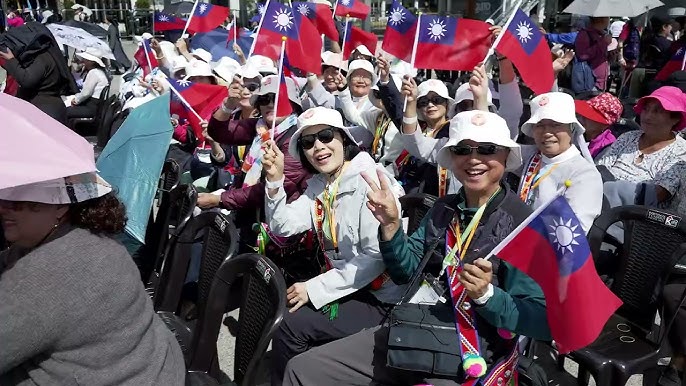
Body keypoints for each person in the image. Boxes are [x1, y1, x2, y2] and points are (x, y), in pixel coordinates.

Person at [281, 110, 550, 386]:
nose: (473, 159)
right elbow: (404, 271)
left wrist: (487, 296)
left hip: (474, 353)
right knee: (302, 369)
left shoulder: (522, 225)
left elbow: (541, 319)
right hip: (416, 326)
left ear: (506, 155)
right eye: (462, 149)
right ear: (452, 158)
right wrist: (391, 226)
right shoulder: (445, 208)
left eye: (487, 149)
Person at [261, 106, 402, 385]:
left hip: (383, 298)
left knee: (291, 327)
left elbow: (375, 259)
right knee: (286, 316)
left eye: (326, 136)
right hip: (351, 288)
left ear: (344, 139)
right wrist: (275, 180)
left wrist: (313, 288)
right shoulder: (321, 185)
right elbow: (283, 226)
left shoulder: (369, 181)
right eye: (308, 142)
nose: (318, 147)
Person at [0, 173, 184, 385]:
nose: (3, 206)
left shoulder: (47, 273)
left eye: (18, 197)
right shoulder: (84, 234)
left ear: (61, 204)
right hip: (154, 368)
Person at [597, 86, 686, 206]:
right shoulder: (628, 137)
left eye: (657, 111)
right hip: (598, 200)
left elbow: (656, 195)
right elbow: (600, 169)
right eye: (646, 109)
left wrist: (613, 190)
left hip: (633, 217)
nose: (648, 116)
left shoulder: (681, 151)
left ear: (675, 118)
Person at [0, 27, 78, 124]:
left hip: (46, 109)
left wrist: (11, 61)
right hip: (44, 106)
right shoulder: (40, 55)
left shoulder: (42, 58)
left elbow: (26, 80)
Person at [574, 92, 624, 159]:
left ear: (604, 125)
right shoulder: (576, 131)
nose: (582, 118)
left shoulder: (607, 146)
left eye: (589, 116)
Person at [66, 51, 109, 120]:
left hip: (92, 107)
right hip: (96, 105)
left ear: (91, 62)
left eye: (85, 60)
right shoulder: (100, 71)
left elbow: (86, 93)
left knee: (65, 111)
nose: (83, 61)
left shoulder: (94, 73)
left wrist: (75, 100)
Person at [575, 16, 612, 91]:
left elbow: (600, 56)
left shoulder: (601, 34)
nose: (609, 20)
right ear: (601, 19)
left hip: (601, 83)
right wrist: (603, 42)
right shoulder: (584, 34)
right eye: (607, 17)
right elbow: (582, 55)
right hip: (590, 83)